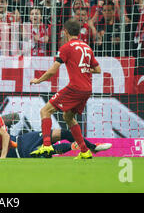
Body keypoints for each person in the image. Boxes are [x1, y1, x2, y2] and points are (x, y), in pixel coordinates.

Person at [30, 18, 101, 159]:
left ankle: (46, 145)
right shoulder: (87, 47)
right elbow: (97, 69)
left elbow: (52, 71)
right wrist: (84, 69)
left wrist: (38, 80)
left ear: (66, 32)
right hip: (87, 89)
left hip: (75, 88)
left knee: (45, 111)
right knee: (68, 117)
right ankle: (85, 150)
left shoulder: (66, 47)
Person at [0, 118, 112, 158]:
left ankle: (91, 147)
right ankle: (71, 148)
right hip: (23, 153)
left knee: (58, 132)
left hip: (26, 139)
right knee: (51, 152)